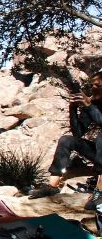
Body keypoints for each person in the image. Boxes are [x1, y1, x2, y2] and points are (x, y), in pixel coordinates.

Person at [28, 70, 102, 200]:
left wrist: (89, 106)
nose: (93, 88)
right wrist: (72, 108)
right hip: (99, 153)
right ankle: (52, 186)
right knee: (66, 140)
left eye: (98, 86)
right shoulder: (93, 104)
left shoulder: (91, 105)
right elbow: (78, 133)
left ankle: (100, 191)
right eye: (92, 85)